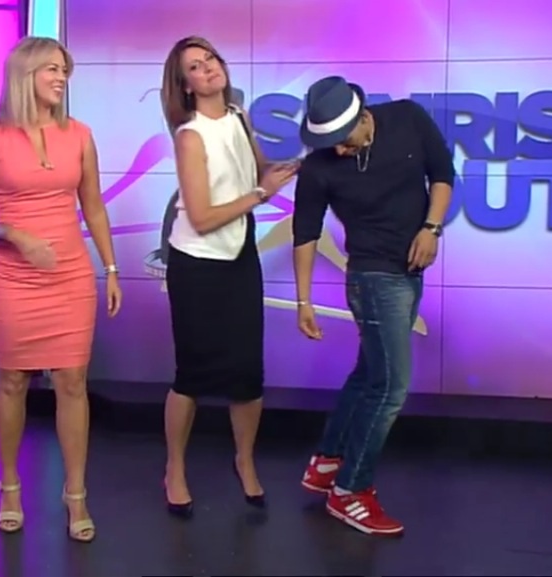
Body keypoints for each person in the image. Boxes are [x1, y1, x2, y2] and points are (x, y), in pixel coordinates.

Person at [0, 36, 121, 542]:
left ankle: (76, 495)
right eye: (52, 68)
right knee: (13, 381)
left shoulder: (80, 135)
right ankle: (10, 487)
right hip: (13, 279)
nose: (61, 78)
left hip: (69, 274)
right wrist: (16, 235)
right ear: (25, 74)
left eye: (64, 70)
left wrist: (111, 267)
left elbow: (93, 206)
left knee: (72, 381)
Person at [292, 76, 455, 536]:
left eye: (344, 140)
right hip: (372, 277)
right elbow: (305, 234)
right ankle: (350, 491)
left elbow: (443, 174)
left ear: (365, 117)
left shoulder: (407, 118)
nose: (339, 151)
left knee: (369, 375)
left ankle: (328, 461)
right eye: (329, 143)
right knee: (390, 387)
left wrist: (431, 228)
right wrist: (304, 301)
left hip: (411, 270)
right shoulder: (319, 167)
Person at [158, 36, 298, 518]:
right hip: (196, 262)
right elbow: (201, 216)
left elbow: (257, 171)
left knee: (247, 373)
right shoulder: (190, 136)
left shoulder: (238, 116)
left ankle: (245, 460)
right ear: (186, 85)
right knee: (192, 374)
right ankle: (175, 468)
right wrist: (262, 193)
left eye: (211, 59)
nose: (209, 68)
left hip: (239, 254)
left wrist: (296, 166)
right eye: (196, 67)